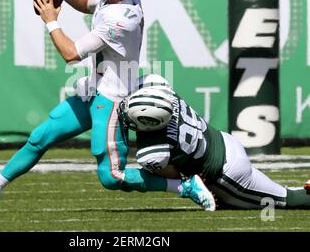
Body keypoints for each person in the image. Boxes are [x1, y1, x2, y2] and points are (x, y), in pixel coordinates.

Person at [0, 0, 215, 211]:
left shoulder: (121, 19)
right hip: (94, 89)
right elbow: (89, 1)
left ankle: (185, 186)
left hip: (113, 99)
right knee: (40, 137)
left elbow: (71, 54)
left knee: (111, 177)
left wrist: (51, 21)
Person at [119, 75, 310, 209]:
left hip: (226, 175)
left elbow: (177, 178)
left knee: (288, 199)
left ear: (149, 122)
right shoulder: (158, 85)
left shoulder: (153, 153)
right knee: (243, 204)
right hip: (224, 142)